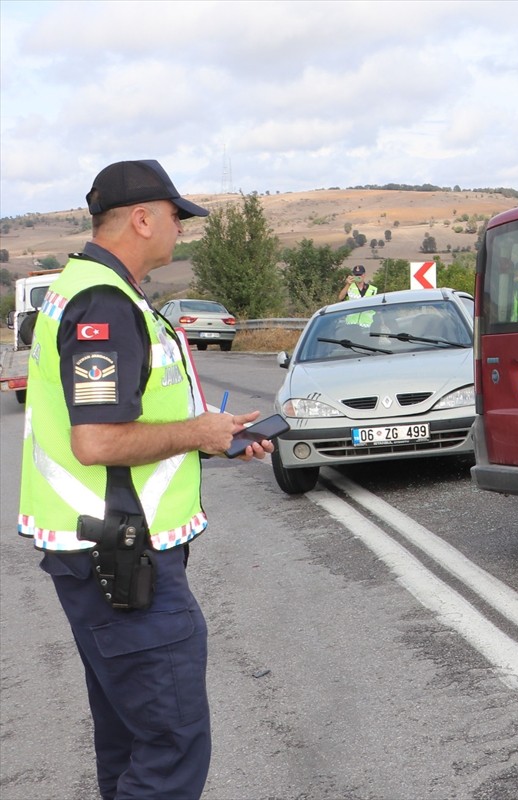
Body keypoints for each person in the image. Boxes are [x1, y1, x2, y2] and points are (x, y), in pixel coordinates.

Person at [16, 160, 273, 800]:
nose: (181, 232)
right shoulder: (103, 303)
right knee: (171, 748)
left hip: (102, 554)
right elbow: (97, 439)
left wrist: (217, 439)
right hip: (124, 561)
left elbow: (134, 418)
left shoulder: (90, 291)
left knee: (130, 742)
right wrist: (198, 433)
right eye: (176, 219)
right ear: (141, 218)